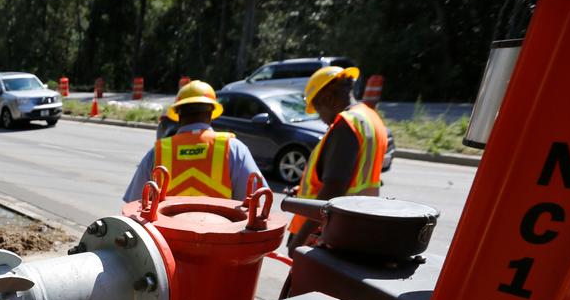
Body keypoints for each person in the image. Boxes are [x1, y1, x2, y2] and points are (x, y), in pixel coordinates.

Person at [286, 65, 389, 249]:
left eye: (318, 109)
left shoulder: (346, 125)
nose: (321, 118)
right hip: (357, 224)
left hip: (330, 233)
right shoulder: (371, 117)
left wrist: (301, 238)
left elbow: (333, 189)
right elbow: (353, 175)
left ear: (328, 98)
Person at [122, 80, 266, 203]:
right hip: (219, 234)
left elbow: (134, 205)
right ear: (211, 113)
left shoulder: (157, 153)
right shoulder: (235, 149)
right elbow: (256, 201)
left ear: (178, 114)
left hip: (167, 235)